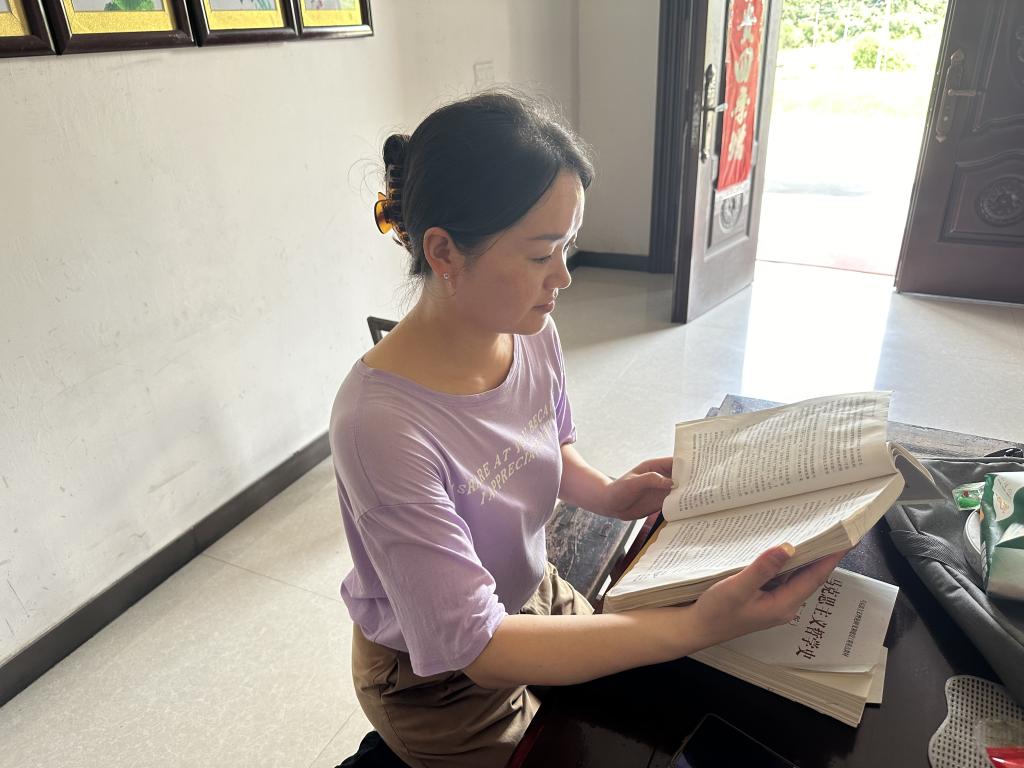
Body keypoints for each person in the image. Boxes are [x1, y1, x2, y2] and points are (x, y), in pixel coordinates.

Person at [329, 90, 847, 768]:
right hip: (439, 679)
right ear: (445, 251)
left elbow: (545, 445)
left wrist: (607, 493)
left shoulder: (529, 331)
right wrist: (693, 625)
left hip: (530, 593)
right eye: (542, 254)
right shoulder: (379, 425)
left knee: (667, 705)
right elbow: (478, 646)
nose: (565, 277)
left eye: (568, 246)